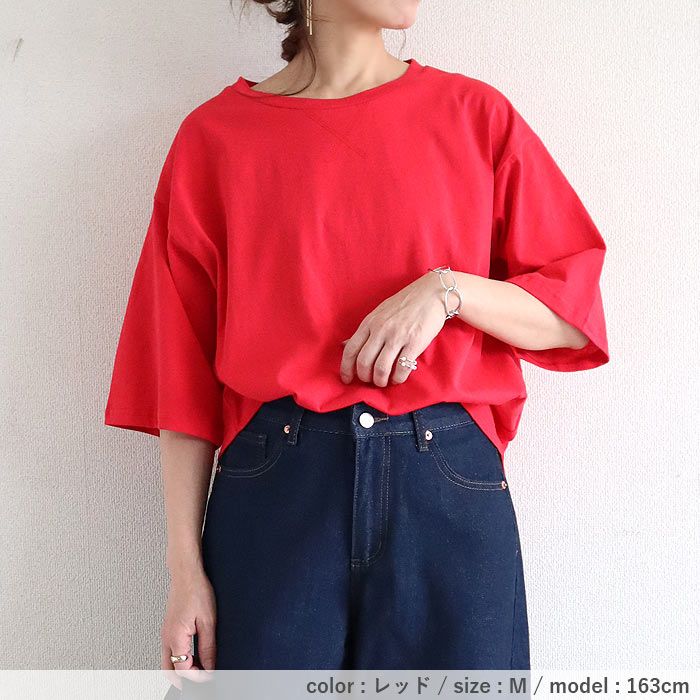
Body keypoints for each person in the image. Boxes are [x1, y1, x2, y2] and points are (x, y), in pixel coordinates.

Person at [104, 0, 609, 672]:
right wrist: (184, 571)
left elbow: (571, 316)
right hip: (277, 489)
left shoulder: (474, 115)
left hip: (446, 485)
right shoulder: (215, 137)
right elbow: (178, 372)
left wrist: (447, 291)